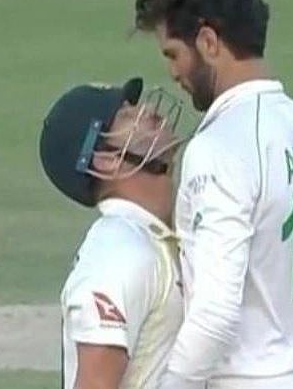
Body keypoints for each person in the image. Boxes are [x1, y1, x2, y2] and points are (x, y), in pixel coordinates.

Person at [134, 0, 293, 389]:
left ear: (208, 41)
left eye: (174, 53)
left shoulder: (220, 147)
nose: (173, 72)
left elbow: (213, 314)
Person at [39, 78, 185, 389]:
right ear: (104, 161)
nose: (148, 112)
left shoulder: (152, 237)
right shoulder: (119, 253)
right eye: (127, 116)